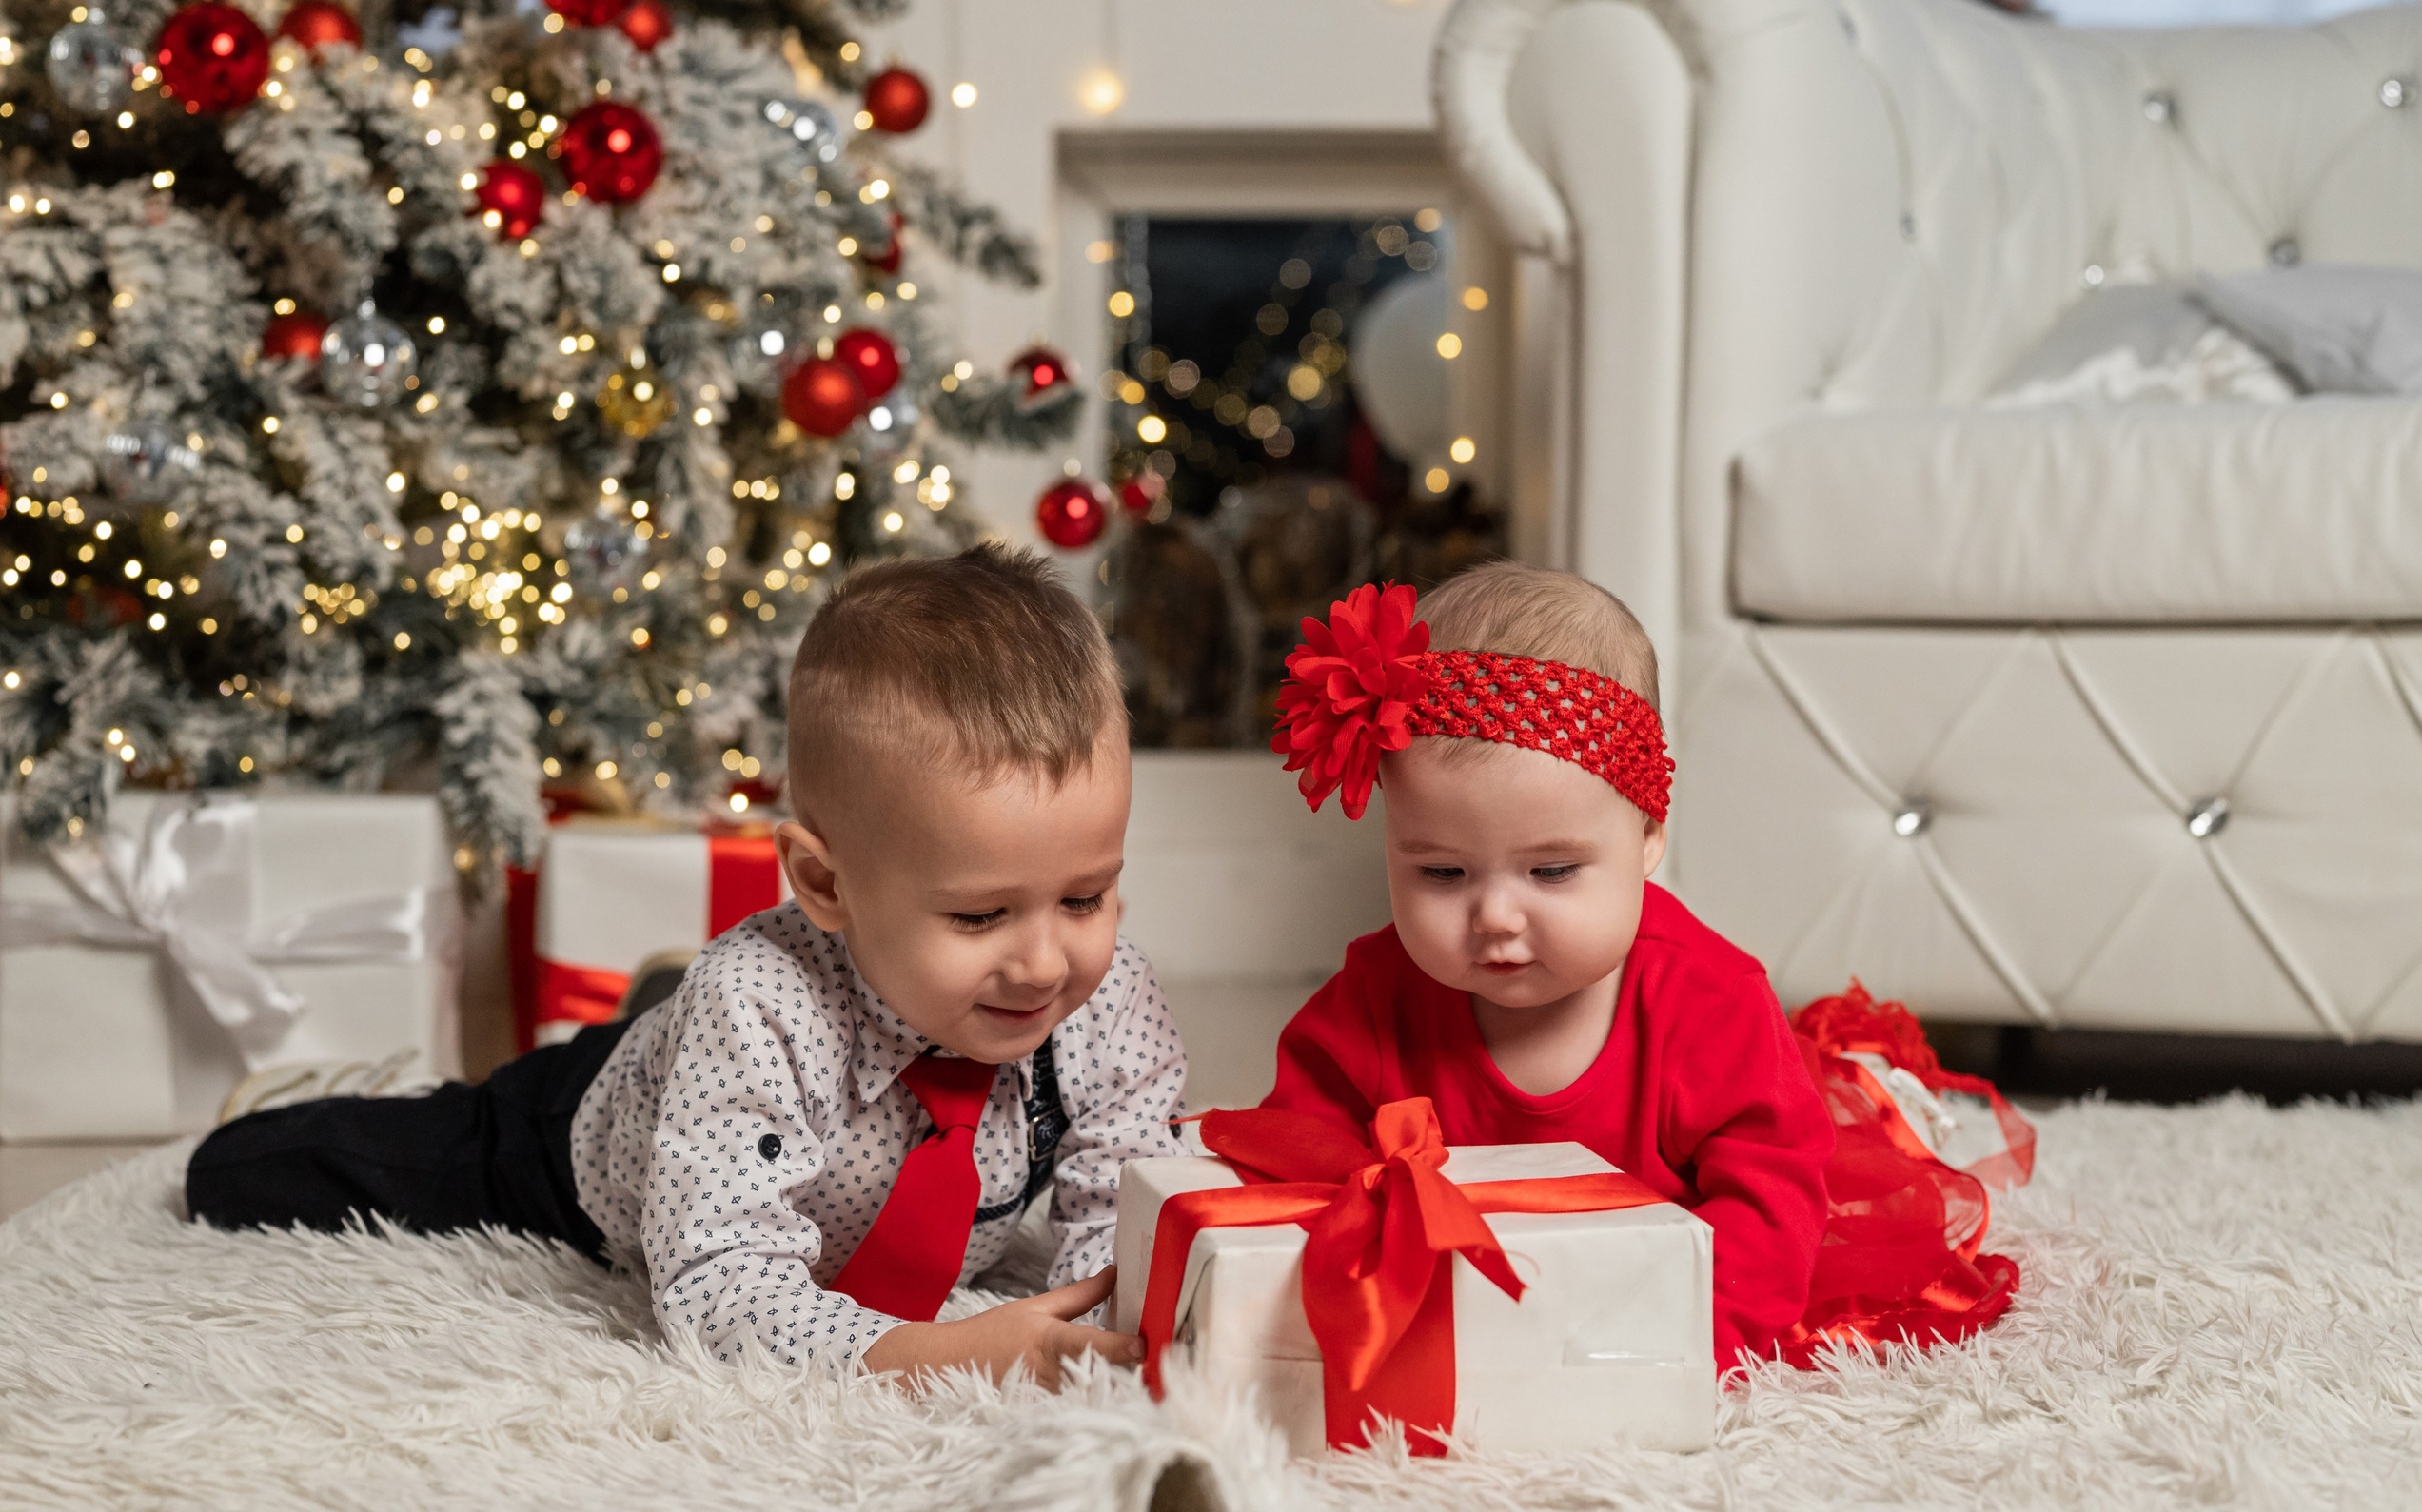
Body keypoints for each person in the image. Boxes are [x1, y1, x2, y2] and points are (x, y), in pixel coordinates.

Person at [188, 543, 1187, 1387]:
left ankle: (670, 1020)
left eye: (1085, 895)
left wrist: (1113, 1337)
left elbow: (1128, 1209)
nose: (1048, 958)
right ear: (823, 883)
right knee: (280, 1171)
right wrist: (938, 1353)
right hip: (574, 1133)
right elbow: (716, 1289)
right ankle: (320, 1096)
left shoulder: (1108, 1001)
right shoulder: (758, 1003)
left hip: (739, 1077)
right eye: (980, 914)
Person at [1260, 562, 2019, 1373]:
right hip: (1487, 1282)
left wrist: (1684, 1350)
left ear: (1649, 834)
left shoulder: (1709, 1003)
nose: (1496, 916)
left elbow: (1767, 1216)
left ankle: (1874, 1082)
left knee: (1827, 1187)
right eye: (1441, 873)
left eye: (1551, 871)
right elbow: (1290, 1160)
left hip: (1676, 1273)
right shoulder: (1376, 998)